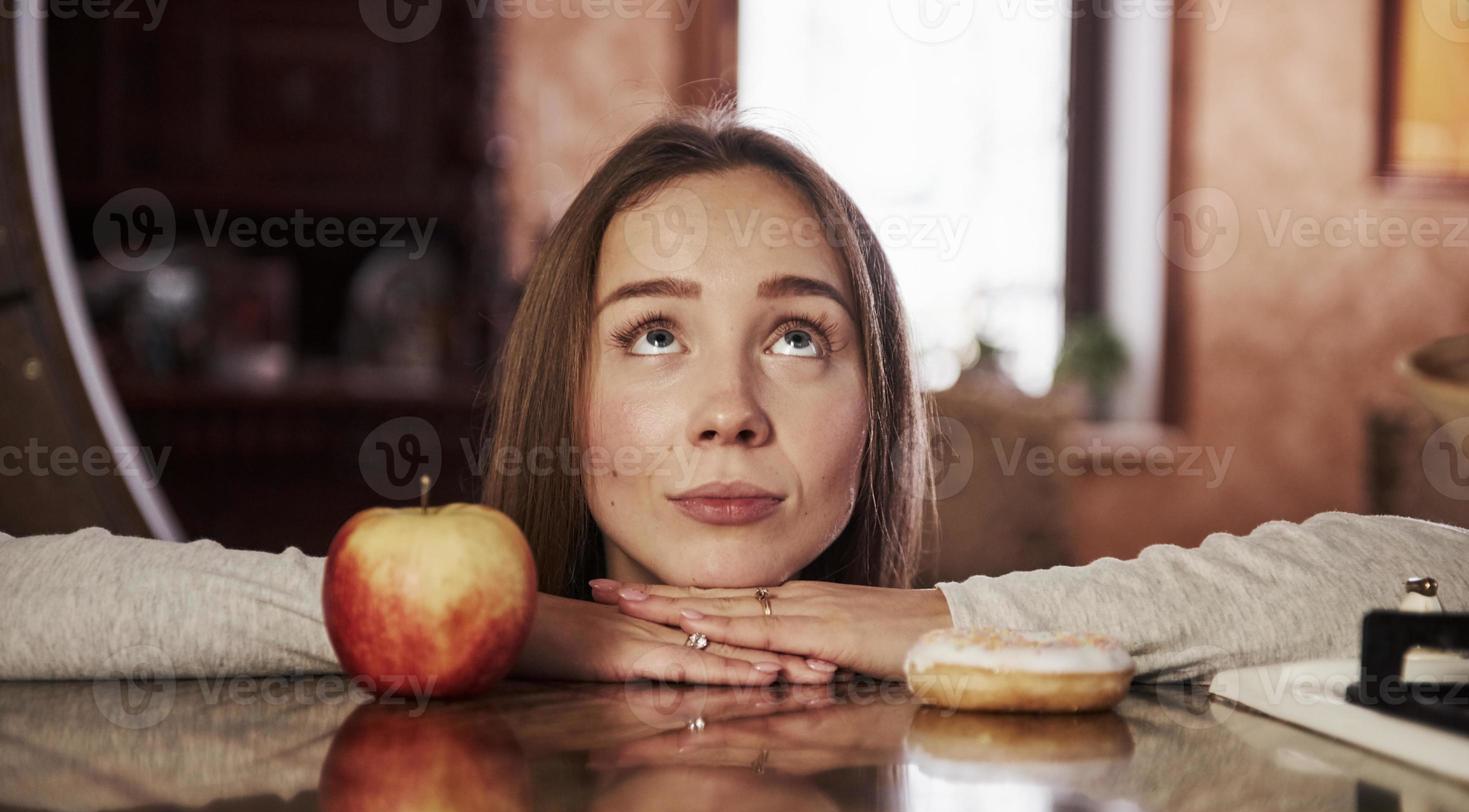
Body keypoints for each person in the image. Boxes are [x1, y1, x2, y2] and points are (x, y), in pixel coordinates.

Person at [3, 108, 1467, 686]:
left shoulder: (957, 660)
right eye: (650, 337)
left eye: (796, 339)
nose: (725, 411)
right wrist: (506, 640)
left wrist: (960, 630)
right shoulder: (461, 671)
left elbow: (1436, 579)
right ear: (556, 401)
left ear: (877, 413)